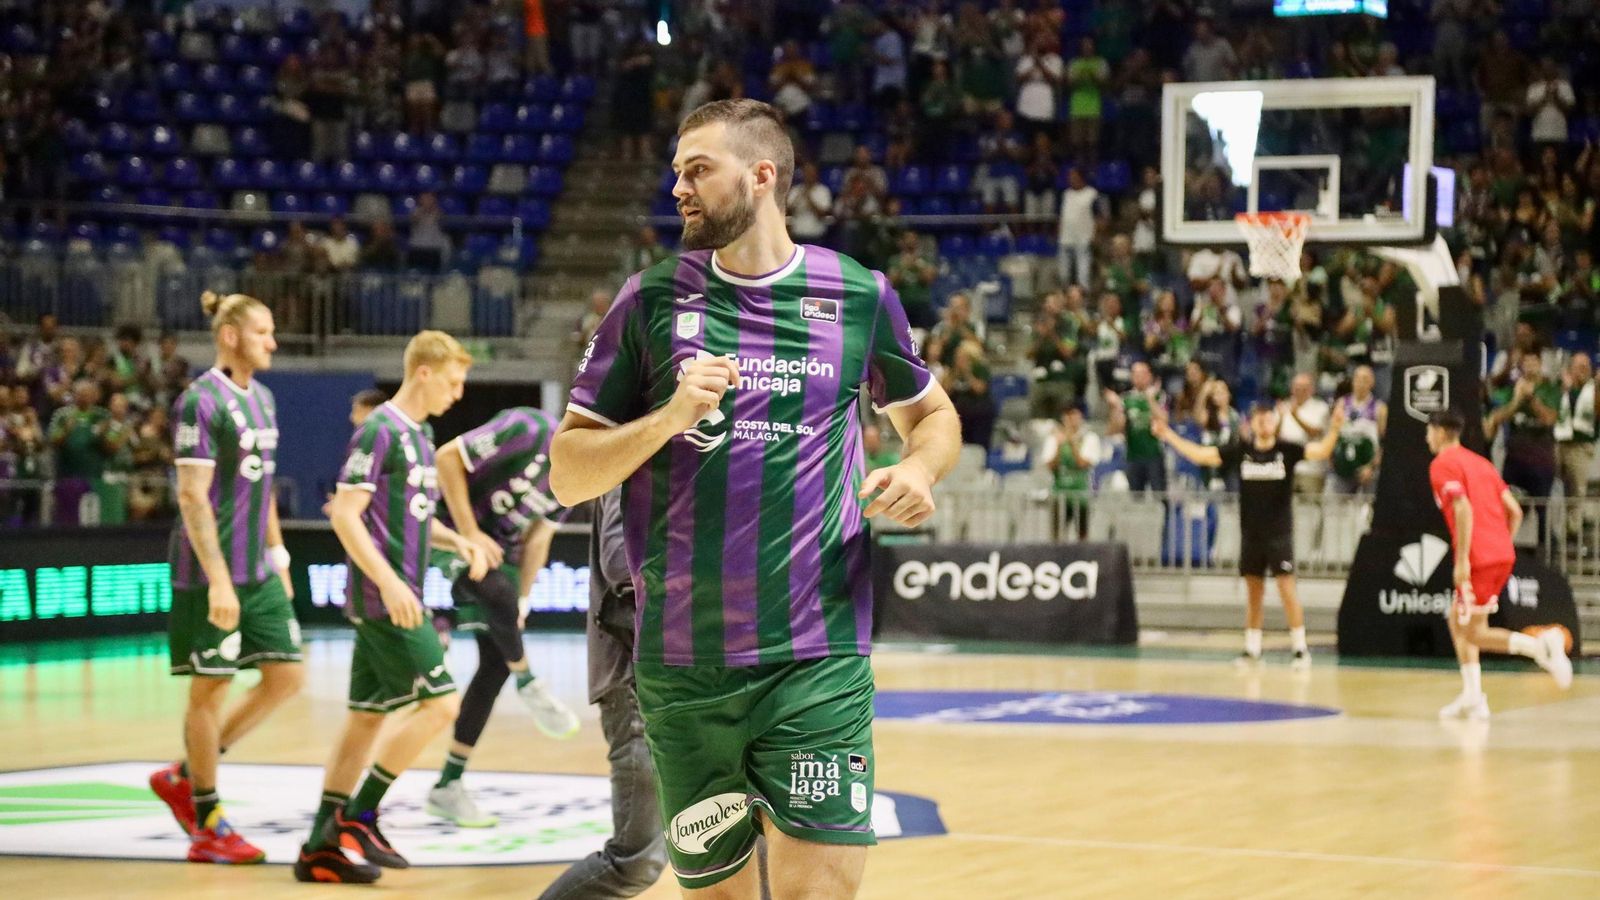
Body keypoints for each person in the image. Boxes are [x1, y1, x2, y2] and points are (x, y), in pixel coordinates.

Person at [549, 99, 961, 898]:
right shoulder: (649, 300)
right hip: (682, 668)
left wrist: (919, 471)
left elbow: (933, 417)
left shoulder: (858, 294)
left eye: (698, 169)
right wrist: (668, 418)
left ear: (762, 176)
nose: (678, 188)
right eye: (677, 172)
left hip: (817, 654)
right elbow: (568, 473)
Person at [295, 331, 482, 884]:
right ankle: (361, 814)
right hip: (387, 598)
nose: (457, 393)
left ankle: (318, 848)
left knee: (364, 719)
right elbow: (345, 514)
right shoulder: (379, 430)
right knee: (441, 707)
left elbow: (414, 517)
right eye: (453, 381)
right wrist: (392, 584)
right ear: (423, 372)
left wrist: (458, 540)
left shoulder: (421, 434)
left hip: (399, 591)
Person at [149, 292, 301, 865]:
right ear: (230, 335)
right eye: (263, 332)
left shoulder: (263, 398)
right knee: (210, 690)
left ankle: (184, 776)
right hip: (209, 573)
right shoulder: (199, 401)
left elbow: (263, 486)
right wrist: (217, 579)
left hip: (258, 571)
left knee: (286, 676)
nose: (273, 343)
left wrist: (279, 555)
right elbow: (192, 497)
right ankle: (207, 821)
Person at [426, 407, 581, 827]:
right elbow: (447, 459)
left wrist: (523, 602)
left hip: (497, 551)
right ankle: (529, 681)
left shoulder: (577, 473)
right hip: (445, 529)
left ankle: (448, 785)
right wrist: (469, 534)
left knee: (495, 664)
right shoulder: (528, 427)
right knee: (495, 591)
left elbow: (538, 540)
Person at [536, 487, 669, 899]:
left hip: (689, 681)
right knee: (635, 860)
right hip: (636, 680)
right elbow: (620, 562)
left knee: (746, 840)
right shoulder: (628, 466)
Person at [1155, 401, 1345, 668]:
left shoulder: (1287, 450)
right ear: (1252, 423)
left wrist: (1335, 428)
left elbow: (1321, 451)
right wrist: (1168, 435)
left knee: (1287, 589)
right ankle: (1252, 650)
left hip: (1279, 534)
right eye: (1259, 419)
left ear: (1275, 422)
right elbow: (1201, 455)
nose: (1264, 423)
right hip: (1251, 534)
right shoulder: (1241, 451)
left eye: (1268, 418)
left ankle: (1300, 649)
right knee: (1254, 593)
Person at [1425, 409, 1572, 719]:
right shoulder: (1482, 463)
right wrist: (1499, 543)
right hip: (1502, 554)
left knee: (1473, 633)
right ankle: (1473, 695)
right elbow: (1514, 511)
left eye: (1429, 431)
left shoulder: (1442, 464)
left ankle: (1541, 646)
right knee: (1457, 619)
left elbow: (1462, 509)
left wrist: (1463, 560)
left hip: (1477, 558)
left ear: (1439, 432)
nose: (1427, 438)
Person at [1554, 353, 1597, 549]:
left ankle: (1573, 533)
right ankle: (1556, 531)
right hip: (1559, 442)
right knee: (1555, 488)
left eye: (1586, 366)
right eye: (1579, 366)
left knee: (1577, 491)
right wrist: (1565, 389)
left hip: (1581, 445)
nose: (1582, 370)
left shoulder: (1594, 389)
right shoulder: (1560, 387)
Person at [1105, 361, 1166, 493]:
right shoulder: (1126, 399)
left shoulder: (1159, 396)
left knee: (1159, 494)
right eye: (1135, 374)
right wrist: (1116, 407)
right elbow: (1114, 430)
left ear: (1149, 376)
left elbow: (1164, 420)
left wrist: (1150, 399)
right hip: (1133, 455)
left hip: (1155, 453)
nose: (1139, 378)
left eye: (1142, 374)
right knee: (1136, 495)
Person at [1328, 365, 1388, 495]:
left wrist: (1372, 466)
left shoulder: (1379, 408)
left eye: (1365, 379)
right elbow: (1333, 433)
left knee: (1368, 504)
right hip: (1342, 466)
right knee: (1333, 503)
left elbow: (1385, 442)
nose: (1361, 383)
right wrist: (1331, 457)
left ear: (1372, 383)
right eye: (1358, 379)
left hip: (1367, 467)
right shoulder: (1341, 403)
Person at [1048, 404, 1099, 541]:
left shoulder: (1090, 438)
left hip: (1081, 494)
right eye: (1068, 416)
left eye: (1074, 415)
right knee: (1057, 535)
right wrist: (1059, 446)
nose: (1071, 420)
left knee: (1082, 535)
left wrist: (1072, 443)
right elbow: (1051, 466)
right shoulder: (1054, 438)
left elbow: (1082, 463)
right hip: (1060, 493)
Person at [1276, 373, 1331, 495]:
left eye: (1304, 388)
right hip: (1285, 468)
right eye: (1297, 388)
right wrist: (1280, 419)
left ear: (1312, 390)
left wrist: (1295, 416)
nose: (1299, 391)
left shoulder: (1320, 408)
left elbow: (1314, 433)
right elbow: (1274, 437)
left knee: (1310, 504)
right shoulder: (1283, 406)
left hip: (1311, 470)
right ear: (1292, 388)